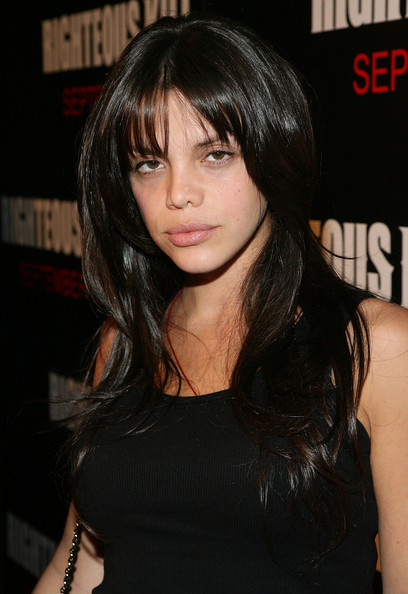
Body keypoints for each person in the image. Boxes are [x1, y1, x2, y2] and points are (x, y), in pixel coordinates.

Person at [33, 13, 408, 594]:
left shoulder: (376, 350)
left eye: (215, 154)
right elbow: (80, 563)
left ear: (275, 148)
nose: (177, 193)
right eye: (149, 163)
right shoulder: (125, 341)